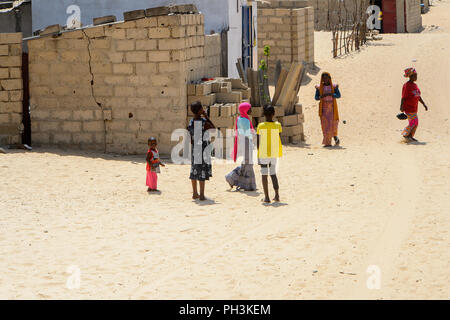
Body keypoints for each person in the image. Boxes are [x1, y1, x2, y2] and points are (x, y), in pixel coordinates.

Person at [225, 102, 257, 191]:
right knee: (247, 163)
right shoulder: (246, 121)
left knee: (247, 163)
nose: (251, 110)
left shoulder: (239, 119)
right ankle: (231, 177)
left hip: (243, 143)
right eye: (249, 109)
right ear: (245, 110)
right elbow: (248, 133)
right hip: (247, 143)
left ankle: (246, 184)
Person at [187, 101, 215, 201]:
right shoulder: (203, 122)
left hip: (195, 149)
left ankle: (195, 193)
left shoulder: (191, 122)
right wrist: (206, 116)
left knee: (194, 170)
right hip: (203, 149)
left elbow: (190, 136)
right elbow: (213, 128)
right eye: (202, 108)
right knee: (202, 171)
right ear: (199, 110)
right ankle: (202, 195)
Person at [256, 105, 282, 203]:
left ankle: (266, 197)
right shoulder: (278, 125)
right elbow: (278, 138)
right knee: (273, 173)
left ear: (263, 114)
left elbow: (258, 142)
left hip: (263, 153)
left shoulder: (260, 126)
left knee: (264, 174)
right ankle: (277, 195)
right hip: (274, 153)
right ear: (274, 114)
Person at [400, 68, 429, 142]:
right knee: (414, 122)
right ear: (410, 76)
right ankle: (406, 135)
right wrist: (401, 107)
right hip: (408, 107)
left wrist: (424, 104)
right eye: (415, 76)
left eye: (416, 75)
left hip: (414, 108)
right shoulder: (407, 85)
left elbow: (418, 96)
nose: (416, 77)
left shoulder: (415, 85)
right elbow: (403, 97)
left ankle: (410, 136)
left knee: (414, 123)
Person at [315, 72, 341, 147]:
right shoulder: (319, 87)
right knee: (325, 125)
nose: (325, 80)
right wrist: (321, 96)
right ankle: (327, 142)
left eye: (327, 78)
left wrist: (331, 94)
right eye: (324, 78)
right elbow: (316, 97)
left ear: (329, 79)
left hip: (332, 108)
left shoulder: (334, 86)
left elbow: (339, 95)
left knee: (332, 124)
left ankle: (335, 137)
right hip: (323, 108)